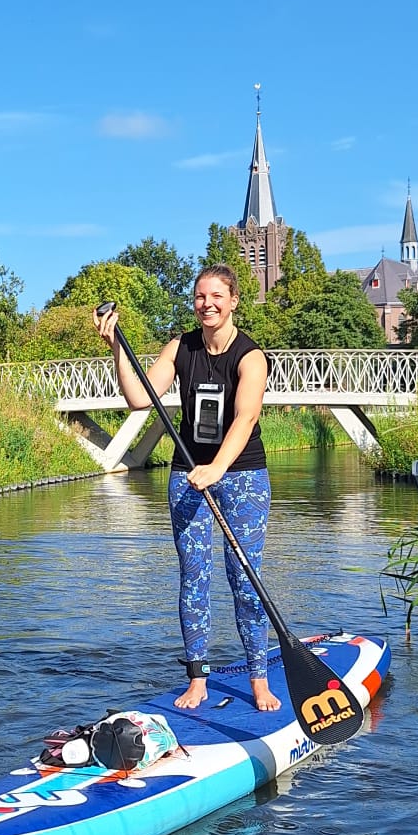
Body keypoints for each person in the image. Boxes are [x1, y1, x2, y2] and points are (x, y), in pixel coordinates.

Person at [95, 264, 278, 713]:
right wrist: (117, 345)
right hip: (188, 473)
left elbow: (246, 418)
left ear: (233, 301)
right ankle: (198, 679)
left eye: (216, 296)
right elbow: (140, 398)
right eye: (200, 296)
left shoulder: (251, 357)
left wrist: (217, 467)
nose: (207, 304)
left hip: (242, 477)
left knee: (244, 579)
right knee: (194, 577)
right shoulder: (180, 347)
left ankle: (259, 679)